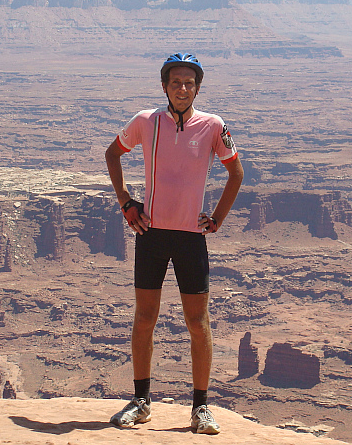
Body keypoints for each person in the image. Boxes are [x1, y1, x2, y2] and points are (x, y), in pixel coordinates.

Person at [104, 52, 244, 435]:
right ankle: (141, 402)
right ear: (165, 86)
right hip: (151, 234)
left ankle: (200, 408)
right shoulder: (146, 122)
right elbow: (113, 153)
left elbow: (236, 172)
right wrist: (126, 202)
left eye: (189, 82)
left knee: (197, 323)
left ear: (197, 87)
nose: (182, 88)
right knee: (144, 318)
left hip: (190, 238)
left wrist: (216, 218)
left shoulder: (213, 125)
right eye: (175, 82)